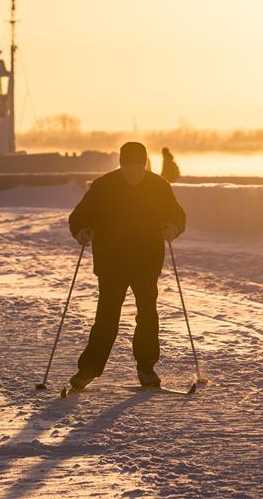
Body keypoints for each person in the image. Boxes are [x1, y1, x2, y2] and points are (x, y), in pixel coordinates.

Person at [67, 141, 187, 390]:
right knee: (107, 317)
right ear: (121, 164)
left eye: (138, 165)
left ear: (144, 164)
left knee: (147, 314)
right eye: (128, 164)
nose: (133, 170)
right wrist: (82, 230)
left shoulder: (158, 186)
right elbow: (79, 215)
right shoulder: (104, 186)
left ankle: (146, 368)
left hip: (147, 260)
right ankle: (88, 370)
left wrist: (172, 226)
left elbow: (177, 213)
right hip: (111, 262)